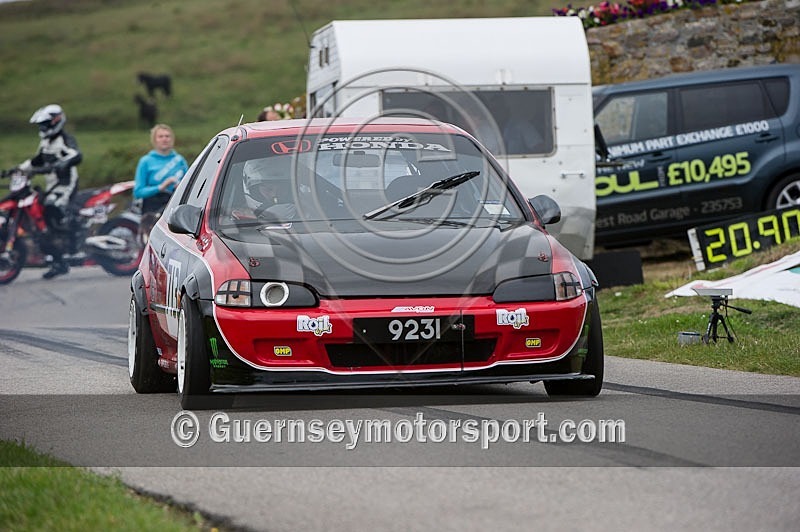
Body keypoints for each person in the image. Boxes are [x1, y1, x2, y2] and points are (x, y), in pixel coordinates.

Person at [16, 104, 82, 279]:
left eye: (45, 124)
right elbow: (36, 161)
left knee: (53, 208)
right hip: (52, 184)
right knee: (43, 223)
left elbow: (76, 154)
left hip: (66, 183)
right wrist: (17, 170)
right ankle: (58, 261)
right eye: (41, 125)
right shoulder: (45, 142)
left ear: (56, 121)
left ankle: (73, 237)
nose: (42, 128)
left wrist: (64, 163)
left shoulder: (64, 139)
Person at [133, 124, 188, 215]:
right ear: (154, 140)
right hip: (152, 208)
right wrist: (160, 187)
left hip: (175, 206)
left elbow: (190, 185)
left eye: (167, 136)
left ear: (172, 139)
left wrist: (179, 186)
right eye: (160, 136)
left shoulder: (180, 160)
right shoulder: (146, 161)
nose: (164, 139)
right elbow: (138, 192)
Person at [236, 156, 296, 221]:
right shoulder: (238, 218)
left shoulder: (305, 213)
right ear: (254, 189)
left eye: (281, 189)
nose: (274, 194)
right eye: (268, 189)